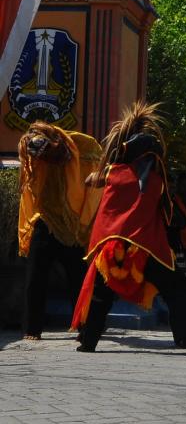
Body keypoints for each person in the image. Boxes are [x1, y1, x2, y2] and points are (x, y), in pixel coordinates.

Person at [71, 101, 186, 354]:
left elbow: (91, 179)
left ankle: (89, 340)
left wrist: (97, 177)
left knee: (101, 294)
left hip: (111, 246)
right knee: (179, 289)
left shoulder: (113, 172)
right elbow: (169, 213)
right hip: (143, 247)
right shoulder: (155, 179)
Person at [17, 122, 102, 340]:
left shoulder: (80, 146)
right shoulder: (34, 141)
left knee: (78, 278)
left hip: (70, 224)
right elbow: (33, 146)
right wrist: (40, 146)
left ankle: (83, 325)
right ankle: (32, 328)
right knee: (35, 277)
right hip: (45, 221)